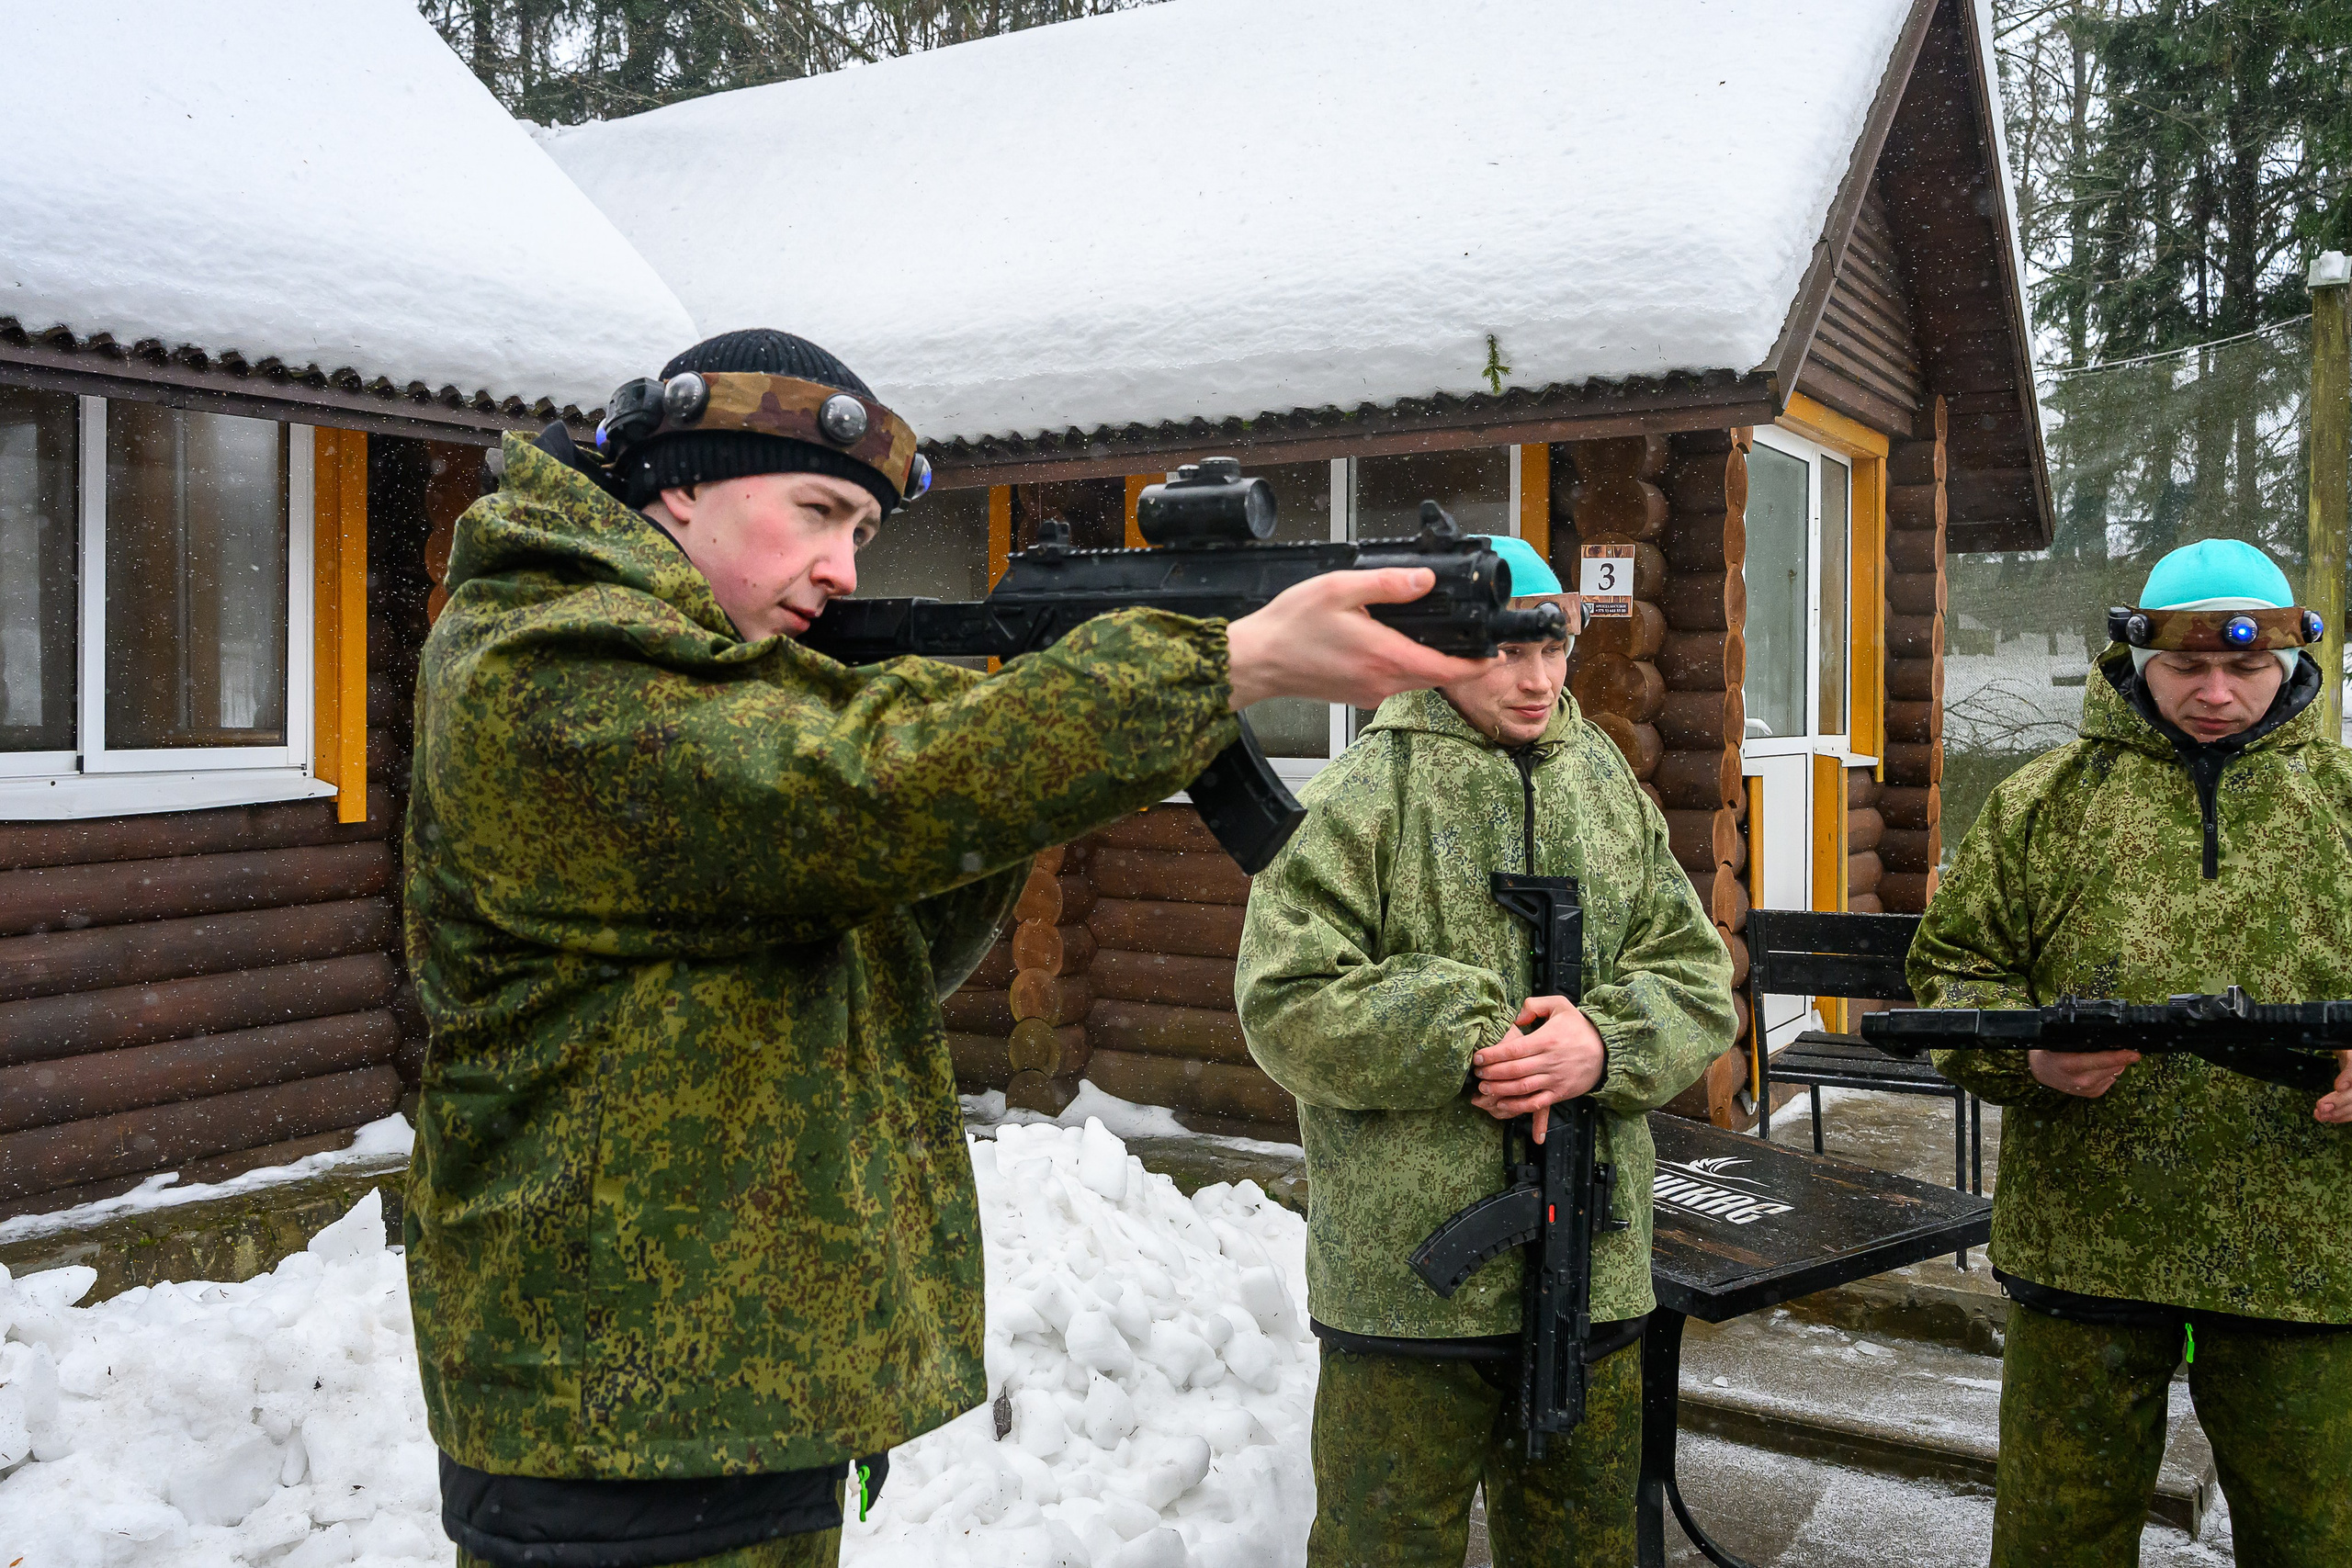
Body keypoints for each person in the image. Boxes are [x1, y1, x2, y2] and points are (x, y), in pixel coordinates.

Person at [402, 328, 1500, 1568]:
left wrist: (1031, 739)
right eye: (817, 511)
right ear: (678, 484)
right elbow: (852, 793)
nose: (840, 566)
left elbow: (881, 932)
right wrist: (1216, 666)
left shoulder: (728, 682)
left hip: (726, 1387)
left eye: (864, 534)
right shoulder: (540, 661)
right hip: (609, 1398)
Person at [1234, 537, 1736, 1568]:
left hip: (1594, 1275)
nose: (1540, 679)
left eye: (1554, 647)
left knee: (1583, 1550)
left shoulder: (1602, 781)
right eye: (1507, 652)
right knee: (1384, 1549)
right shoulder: (1364, 795)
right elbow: (1284, 1001)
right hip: (1407, 1294)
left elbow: (1694, 970)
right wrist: (1468, 1036)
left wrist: (1603, 1040)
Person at [1911, 538, 2352, 1567]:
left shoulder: (2339, 804)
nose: (2213, 693)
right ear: (2134, 657)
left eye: (2243, 668)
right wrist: (2027, 1062)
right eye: (2185, 667)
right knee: (2056, 1541)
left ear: (2289, 661)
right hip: (2083, 1246)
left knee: (2316, 1540)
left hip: (2307, 1255)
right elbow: (1950, 972)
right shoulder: (2043, 805)